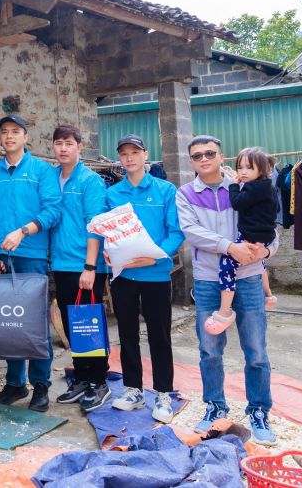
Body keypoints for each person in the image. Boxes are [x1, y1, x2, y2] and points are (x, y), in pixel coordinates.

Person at [176, 135, 278, 445]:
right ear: (191, 161)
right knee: (209, 349)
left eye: (210, 153)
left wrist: (267, 252)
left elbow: (268, 226)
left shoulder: (247, 186)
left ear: (222, 157)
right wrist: (229, 247)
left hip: (248, 278)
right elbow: (192, 232)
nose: (204, 159)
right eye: (197, 156)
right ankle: (214, 406)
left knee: (256, 350)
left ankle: (259, 410)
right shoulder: (185, 194)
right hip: (208, 280)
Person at [0, 114, 61, 412]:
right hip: (2, 256)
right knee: (8, 321)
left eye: (16, 132)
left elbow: (54, 211)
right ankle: (15, 383)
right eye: (4, 132)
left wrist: (24, 230)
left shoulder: (42, 170)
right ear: (0, 139)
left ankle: (41, 384)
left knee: (36, 322)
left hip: (32, 255)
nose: (10, 136)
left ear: (25, 137)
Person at [105, 134, 184, 424]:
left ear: (145, 155)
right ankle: (133, 390)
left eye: (134, 152)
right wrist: (107, 252)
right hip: (123, 275)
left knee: (159, 336)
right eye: (123, 153)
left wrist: (156, 256)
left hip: (155, 274)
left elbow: (176, 232)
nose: (129, 158)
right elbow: (107, 231)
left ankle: (164, 393)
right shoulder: (113, 194)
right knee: (126, 334)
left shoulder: (165, 191)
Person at [49, 125, 111, 413]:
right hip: (60, 263)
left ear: (79, 147)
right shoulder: (51, 177)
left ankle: (98, 381)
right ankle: (82, 377)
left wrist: (90, 266)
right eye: (58, 143)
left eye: (68, 143)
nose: (63, 148)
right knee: (72, 324)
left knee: (88, 324)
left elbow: (95, 225)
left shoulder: (90, 181)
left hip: (85, 265)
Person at [206, 147, 278, 334]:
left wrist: (233, 185)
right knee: (259, 262)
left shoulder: (254, 187)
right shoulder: (269, 187)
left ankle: (225, 311)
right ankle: (269, 295)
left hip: (250, 235)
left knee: (227, 265)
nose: (243, 172)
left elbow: (237, 203)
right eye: (240, 168)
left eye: (248, 168)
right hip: (264, 235)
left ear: (261, 170)